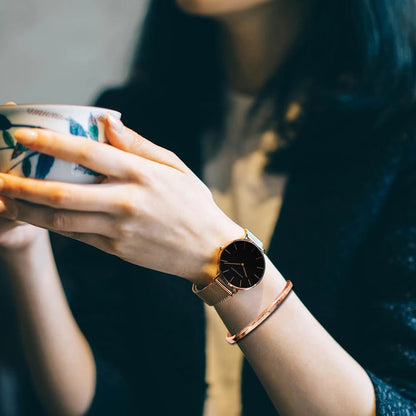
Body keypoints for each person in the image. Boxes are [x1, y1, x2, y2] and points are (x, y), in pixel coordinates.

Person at [0, 0, 415, 415]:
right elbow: (105, 401)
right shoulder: (139, 120)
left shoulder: (400, 132)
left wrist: (219, 255)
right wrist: (24, 245)